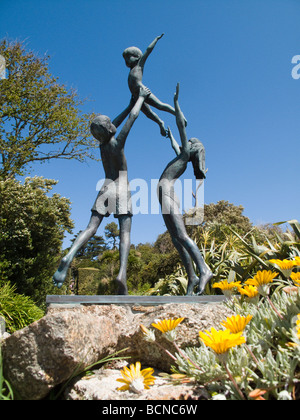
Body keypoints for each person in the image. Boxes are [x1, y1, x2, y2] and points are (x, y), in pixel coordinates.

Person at [53, 86, 151, 295]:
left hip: (105, 186)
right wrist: (140, 99)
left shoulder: (102, 145)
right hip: (122, 186)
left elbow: (113, 123)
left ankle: (69, 255)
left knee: (90, 227)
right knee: (125, 233)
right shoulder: (118, 142)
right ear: (109, 129)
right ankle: (122, 274)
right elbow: (131, 119)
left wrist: (128, 104)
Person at [158, 83, 213, 295]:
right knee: (174, 238)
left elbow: (181, 125)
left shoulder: (183, 156)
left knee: (180, 234)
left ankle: (204, 269)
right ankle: (192, 278)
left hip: (167, 192)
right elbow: (175, 141)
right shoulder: (180, 154)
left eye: (188, 142)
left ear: (192, 148)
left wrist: (175, 103)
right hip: (163, 193)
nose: (184, 142)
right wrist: (169, 134)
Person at [123, 34, 186, 136]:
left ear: (137, 57)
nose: (126, 61)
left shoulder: (139, 66)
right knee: (149, 114)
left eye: (128, 57)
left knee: (160, 105)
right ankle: (160, 123)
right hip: (136, 96)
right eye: (125, 59)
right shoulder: (131, 70)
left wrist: (156, 39)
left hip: (143, 91)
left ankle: (179, 114)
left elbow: (148, 51)